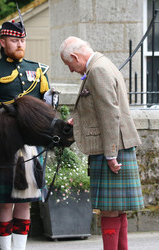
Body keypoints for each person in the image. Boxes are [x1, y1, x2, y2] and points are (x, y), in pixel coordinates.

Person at [0, 19, 52, 250]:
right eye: (15, 40)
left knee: (25, 201)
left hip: (31, 147)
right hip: (3, 147)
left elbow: (47, 110)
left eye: (23, 40)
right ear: (3, 42)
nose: (20, 44)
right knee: (5, 202)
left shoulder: (38, 70)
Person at [59, 36, 144, 250]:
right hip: (118, 144)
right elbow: (101, 108)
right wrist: (78, 121)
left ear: (75, 57)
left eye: (69, 65)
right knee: (118, 209)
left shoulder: (97, 70)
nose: (71, 70)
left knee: (109, 210)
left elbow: (110, 113)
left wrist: (111, 154)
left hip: (111, 146)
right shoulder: (104, 63)